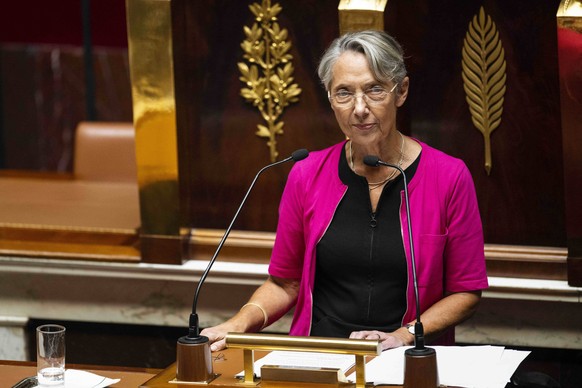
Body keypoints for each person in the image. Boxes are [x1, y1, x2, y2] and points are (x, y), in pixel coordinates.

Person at [201, 30, 488, 352]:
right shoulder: (306, 174)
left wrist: (403, 335)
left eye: (374, 90)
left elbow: (466, 292)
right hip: (321, 356)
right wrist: (237, 323)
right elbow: (284, 282)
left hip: (406, 358)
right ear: (330, 99)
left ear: (401, 91)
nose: (360, 108)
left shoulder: (448, 176)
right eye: (344, 93)